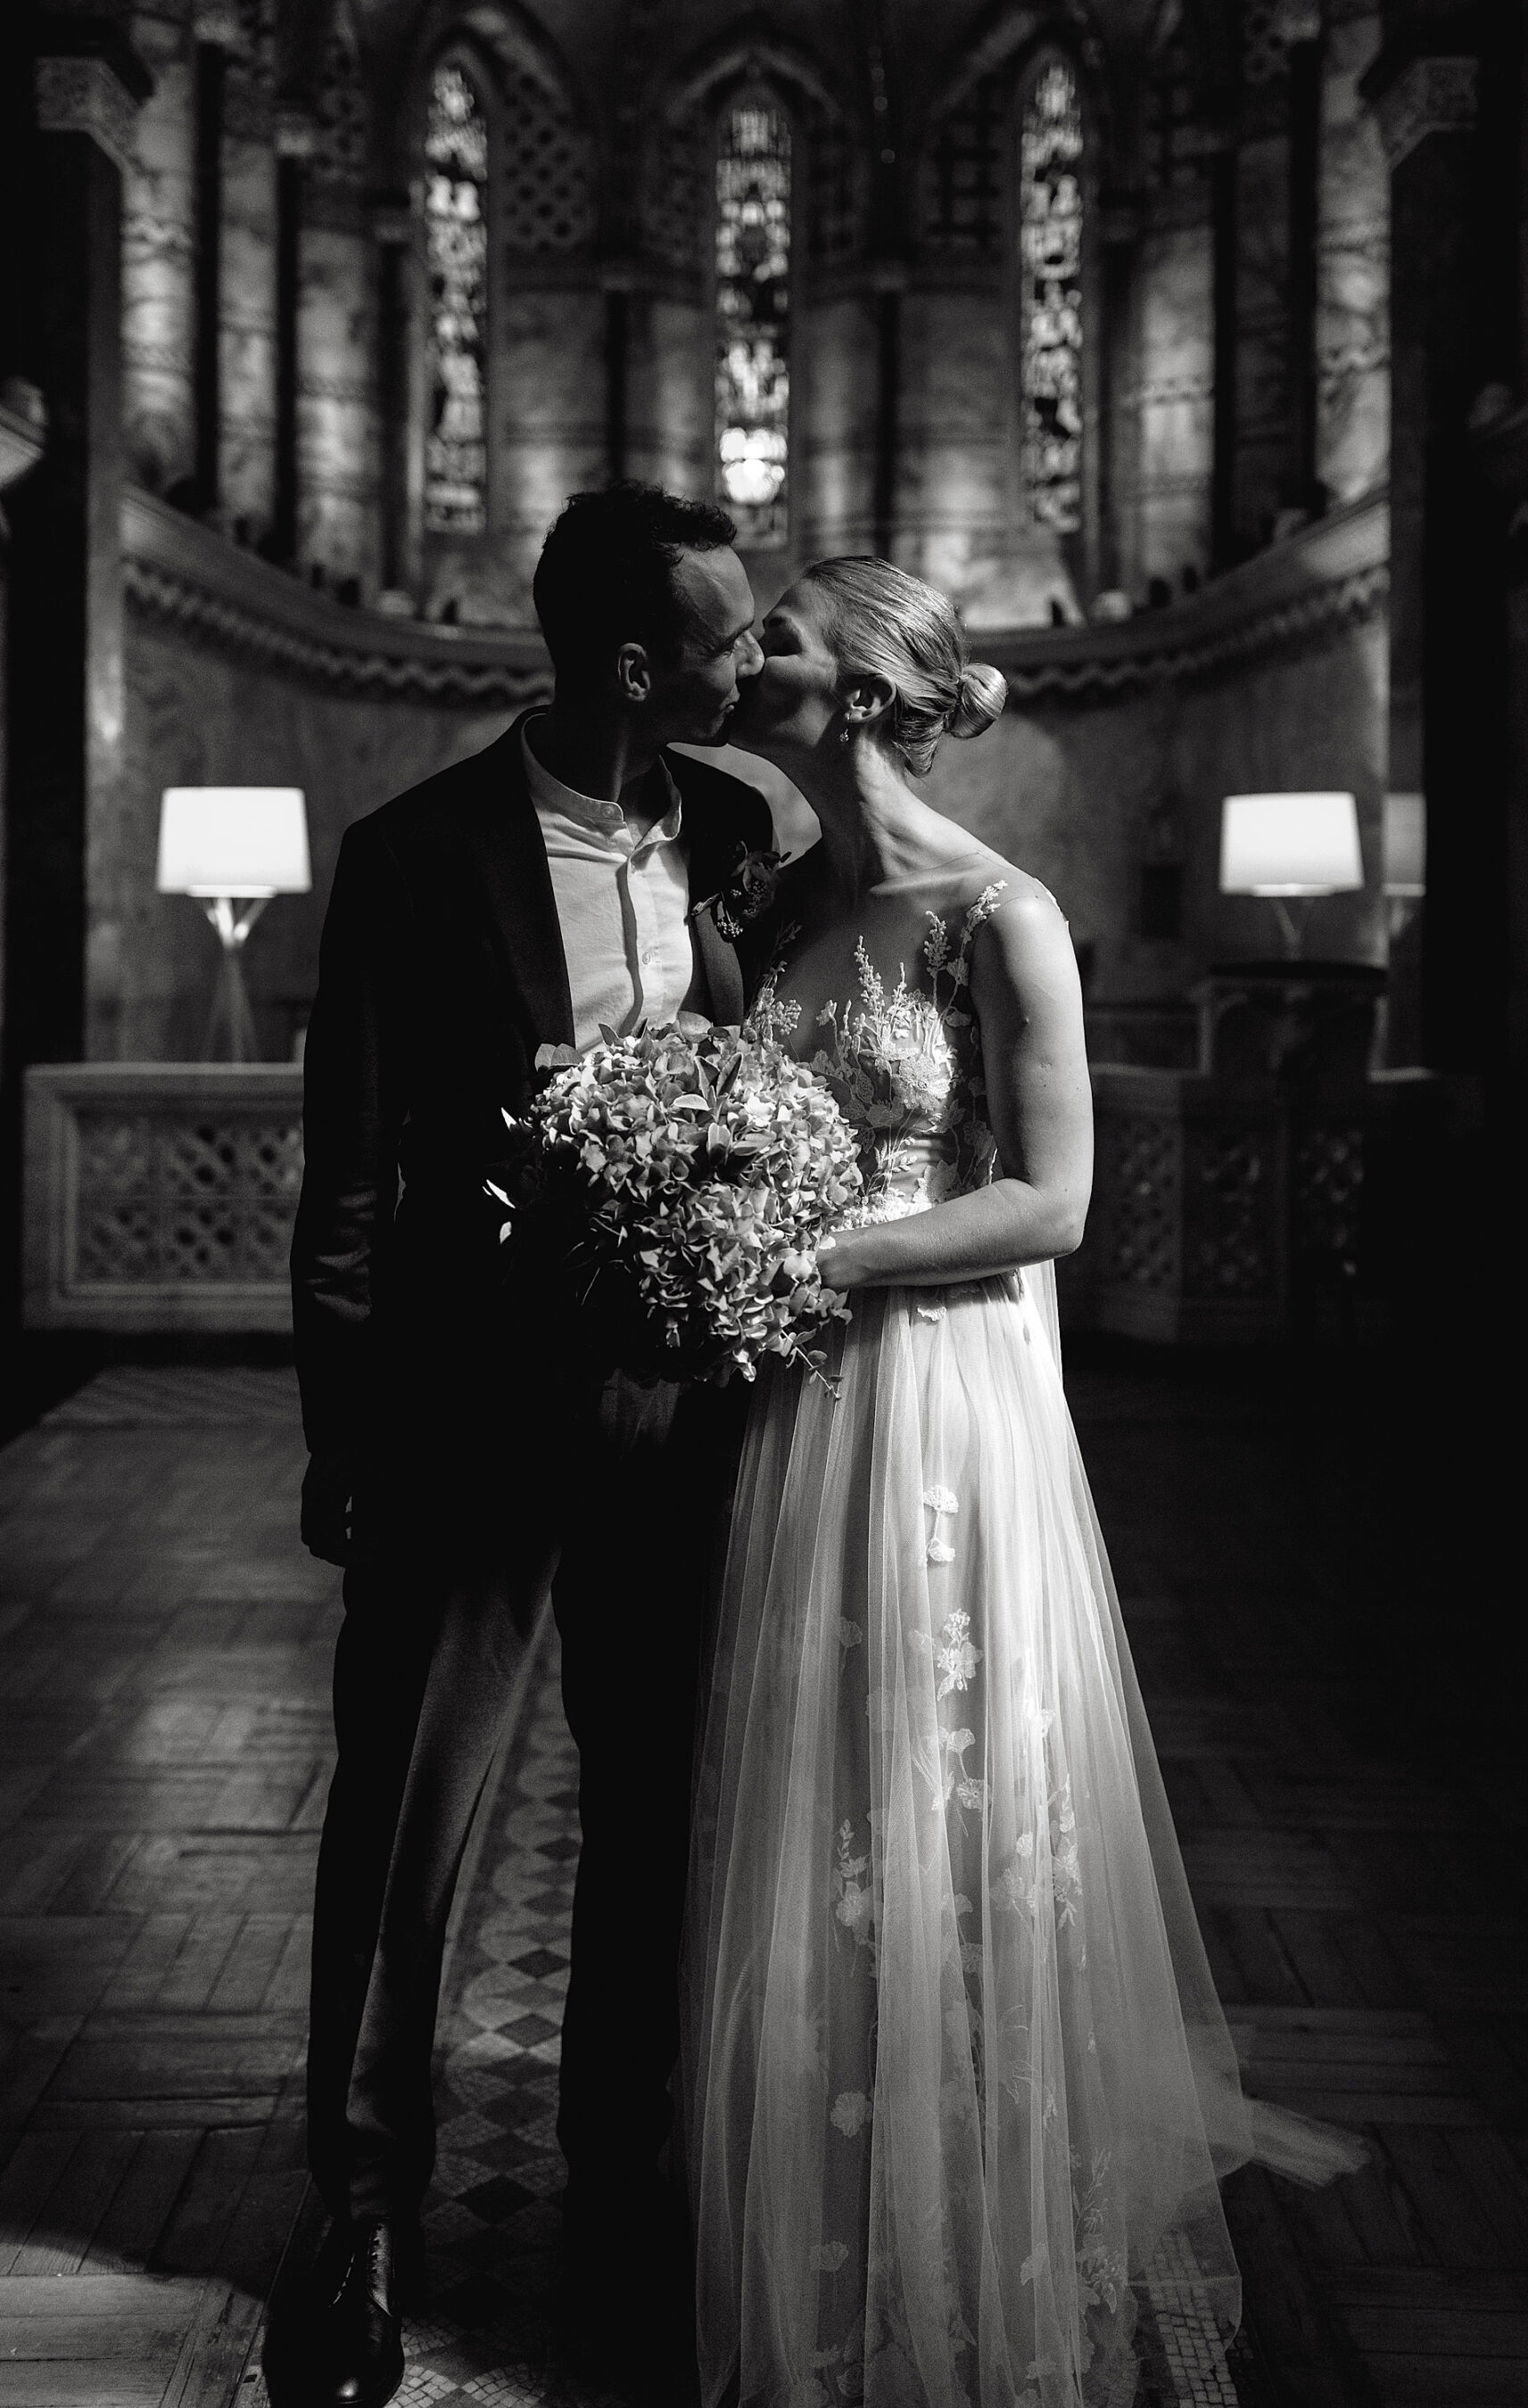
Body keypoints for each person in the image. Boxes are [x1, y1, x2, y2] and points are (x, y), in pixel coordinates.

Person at [681, 558, 1364, 2408]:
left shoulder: (1000, 913)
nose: (750, 663)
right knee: (817, 1803)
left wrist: (806, 1261)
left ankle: (972, 2258)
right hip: (795, 1403)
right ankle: (834, 2223)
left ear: (879, 693)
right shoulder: (770, 898)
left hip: (935, 1393)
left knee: (946, 1786)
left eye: (785, 643)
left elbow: (1051, 1202)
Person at [290, 482, 769, 2408]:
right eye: (730, 637)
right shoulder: (416, 854)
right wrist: (342, 1437)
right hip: (466, 1423)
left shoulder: (735, 835)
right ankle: (361, 2204)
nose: (757, 663)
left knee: (655, 1815)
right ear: (637, 662)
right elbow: (349, 1177)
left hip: (682, 1420)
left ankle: (618, 2186)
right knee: (415, 1815)